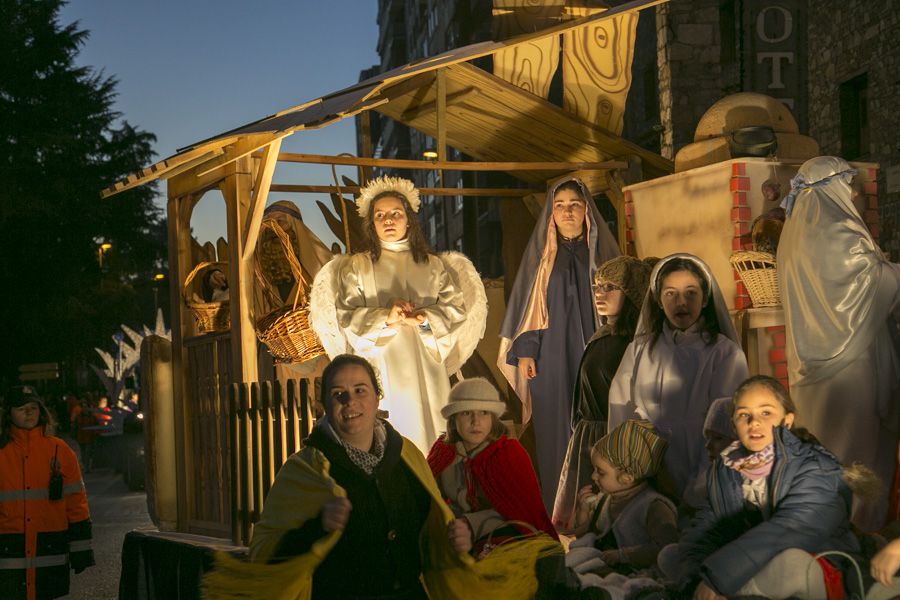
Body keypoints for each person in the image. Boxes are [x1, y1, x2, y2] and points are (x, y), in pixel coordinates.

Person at [204, 355, 553, 599]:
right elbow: (265, 553)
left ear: (376, 398)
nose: (350, 402)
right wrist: (316, 526)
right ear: (325, 403)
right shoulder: (304, 470)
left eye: (360, 390)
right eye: (338, 394)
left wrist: (454, 539)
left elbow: (430, 531)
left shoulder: (407, 458)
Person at [310, 176, 485, 453]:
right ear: (372, 223)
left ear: (408, 220)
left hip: (425, 365)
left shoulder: (432, 265)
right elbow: (346, 315)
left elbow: (455, 310)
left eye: (395, 213)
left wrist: (425, 319)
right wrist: (386, 318)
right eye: (380, 215)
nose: (388, 220)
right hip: (381, 364)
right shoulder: (357, 266)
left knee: (431, 437)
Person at [778, 155, 900, 531]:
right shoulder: (839, 232)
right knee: (858, 455)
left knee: (821, 450)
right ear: (832, 189)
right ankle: (858, 534)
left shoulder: (792, 238)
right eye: (849, 187)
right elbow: (874, 284)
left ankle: (821, 530)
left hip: (808, 366)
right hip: (851, 364)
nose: (854, 195)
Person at [674, 375, 861, 600]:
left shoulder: (818, 468)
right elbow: (709, 526)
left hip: (819, 567)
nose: (754, 422)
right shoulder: (728, 468)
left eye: (766, 413)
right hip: (752, 564)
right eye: (744, 415)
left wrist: (717, 579)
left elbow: (790, 529)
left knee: (791, 563)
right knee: (674, 557)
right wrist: (694, 578)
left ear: (786, 421)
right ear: (734, 424)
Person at [498, 177, 620, 510]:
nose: (567, 212)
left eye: (574, 205)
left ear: (586, 212)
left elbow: (625, 304)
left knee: (597, 423)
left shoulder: (604, 256)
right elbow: (526, 306)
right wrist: (525, 351)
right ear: (551, 213)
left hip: (596, 355)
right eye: (560, 205)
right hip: (549, 354)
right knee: (555, 431)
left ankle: (600, 505)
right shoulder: (539, 259)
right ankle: (559, 508)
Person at [607, 253, 749, 506]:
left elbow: (724, 427)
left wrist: (699, 490)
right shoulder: (639, 351)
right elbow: (620, 411)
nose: (681, 303)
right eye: (670, 293)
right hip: (646, 473)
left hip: (700, 465)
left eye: (691, 292)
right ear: (659, 301)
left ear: (705, 298)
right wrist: (630, 475)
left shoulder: (724, 354)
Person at [552, 256, 654, 533]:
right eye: (597, 286)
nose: (600, 293)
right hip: (587, 436)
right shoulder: (603, 336)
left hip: (611, 438)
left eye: (610, 287)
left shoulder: (631, 344)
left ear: (631, 293)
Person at [426, 378, 558, 557]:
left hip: (503, 534)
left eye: (484, 413)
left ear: (494, 419)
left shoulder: (509, 454)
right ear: (453, 418)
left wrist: (471, 525)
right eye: (466, 413)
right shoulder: (444, 451)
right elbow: (429, 495)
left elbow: (520, 512)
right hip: (453, 533)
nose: (475, 421)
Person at [0, 386, 95, 599]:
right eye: (21, 408)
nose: (29, 412)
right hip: (8, 553)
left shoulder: (60, 451)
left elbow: (76, 502)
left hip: (49, 552)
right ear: (8, 414)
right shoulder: (2, 453)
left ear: (41, 411)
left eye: (33, 407)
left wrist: (81, 549)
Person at [567, 419, 678, 577]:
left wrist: (624, 555)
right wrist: (583, 512)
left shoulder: (653, 505)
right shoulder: (605, 500)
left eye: (601, 472)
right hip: (604, 567)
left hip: (635, 574)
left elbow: (666, 548)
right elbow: (587, 535)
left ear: (627, 477)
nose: (593, 476)